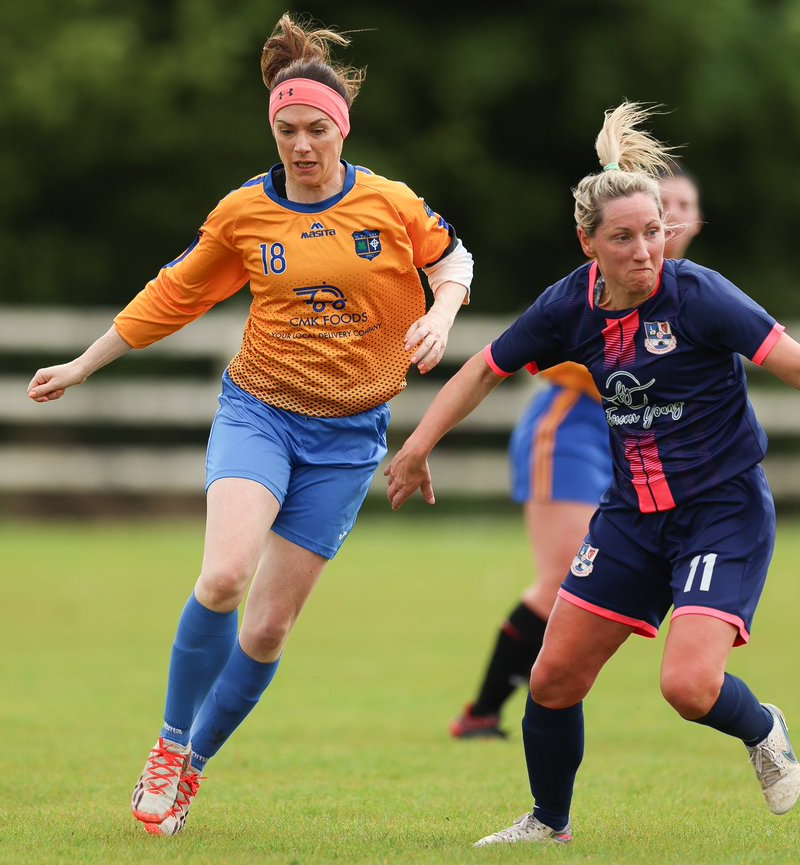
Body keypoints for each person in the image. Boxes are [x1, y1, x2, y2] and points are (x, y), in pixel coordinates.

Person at [385, 102, 800, 845]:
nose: (646, 250)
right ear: (589, 244)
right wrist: (418, 444)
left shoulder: (699, 295)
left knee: (688, 686)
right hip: (632, 517)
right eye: (625, 237)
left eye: (655, 232)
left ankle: (764, 726)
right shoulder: (566, 308)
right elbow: (484, 370)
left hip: (723, 511)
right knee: (551, 681)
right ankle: (549, 824)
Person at [26, 13, 473, 837]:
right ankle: (166, 744)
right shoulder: (245, 213)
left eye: (315, 129)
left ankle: (193, 766)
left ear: (341, 129)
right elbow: (174, 294)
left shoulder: (388, 203)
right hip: (259, 413)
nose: (301, 145)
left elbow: (453, 258)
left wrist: (442, 312)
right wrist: (85, 364)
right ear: (272, 128)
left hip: (348, 438)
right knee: (225, 576)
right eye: (286, 129)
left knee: (268, 625)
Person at [450, 171, 704, 739]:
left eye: (686, 205)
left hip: (632, 450)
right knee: (564, 578)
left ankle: (491, 710)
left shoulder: (691, 292)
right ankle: (483, 711)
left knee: (584, 580)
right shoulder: (599, 289)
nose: (677, 212)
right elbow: (546, 358)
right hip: (570, 434)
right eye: (669, 201)